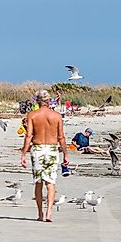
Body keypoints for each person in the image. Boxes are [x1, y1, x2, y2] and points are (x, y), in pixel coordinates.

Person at [21, 90, 68, 222]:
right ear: (49, 101)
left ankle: (40, 213)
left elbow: (29, 135)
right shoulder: (57, 116)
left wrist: (23, 153)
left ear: (37, 101)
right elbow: (61, 137)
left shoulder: (32, 115)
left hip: (38, 149)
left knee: (38, 182)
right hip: (52, 149)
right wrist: (65, 154)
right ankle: (49, 213)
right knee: (51, 182)